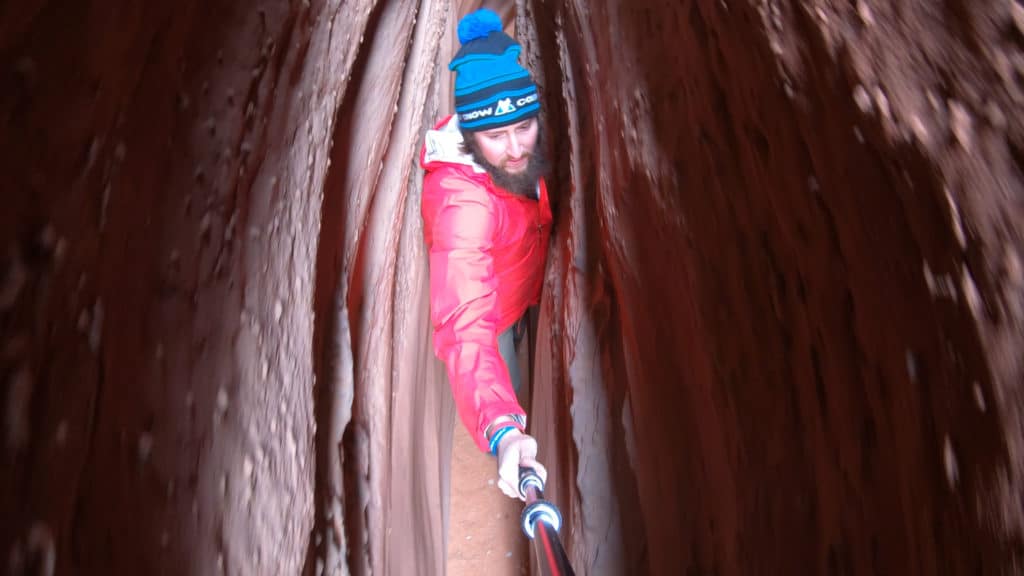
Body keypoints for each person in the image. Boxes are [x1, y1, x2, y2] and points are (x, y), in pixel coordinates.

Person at [419, 8, 553, 501]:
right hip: (496, 316)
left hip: (524, 290)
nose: (516, 149)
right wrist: (503, 428)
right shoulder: (462, 205)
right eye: (496, 137)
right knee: (509, 387)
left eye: (524, 127)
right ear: (470, 135)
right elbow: (465, 325)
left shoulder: (518, 152)